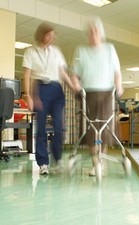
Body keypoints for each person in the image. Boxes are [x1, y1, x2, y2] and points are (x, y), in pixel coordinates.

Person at [71, 16, 123, 176]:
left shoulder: (109, 49)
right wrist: (76, 85)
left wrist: (119, 86)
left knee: (105, 129)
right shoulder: (81, 50)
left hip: (107, 93)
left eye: (96, 31)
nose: (93, 34)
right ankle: (96, 163)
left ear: (101, 33)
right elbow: (74, 74)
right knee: (91, 131)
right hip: (88, 94)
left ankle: (101, 161)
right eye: (90, 31)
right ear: (87, 34)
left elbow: (117, 72)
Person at [23, 22, 75, 175]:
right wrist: (29, 96)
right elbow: (26, 75)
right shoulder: (30, 52)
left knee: (59, 127)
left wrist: (72, 85)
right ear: (41, 35)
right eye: (48, 35)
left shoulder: (57, 52)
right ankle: (43, 163)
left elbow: (62, 73)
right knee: (41, 130)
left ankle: (58, 159)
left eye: (53, 35)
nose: (52, 38)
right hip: (41, 89)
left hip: (57, 90)